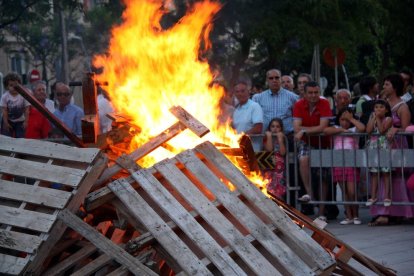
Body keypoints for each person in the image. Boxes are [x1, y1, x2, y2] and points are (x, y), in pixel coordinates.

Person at [369, 73, 413, 226]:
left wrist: (396, 129)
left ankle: (398, 212)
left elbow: (406, 128)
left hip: (396, 145)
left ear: (394, 87)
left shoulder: (402, 106)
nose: (383, 87)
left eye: (387, 84)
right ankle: (382, 212)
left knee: (396, 177)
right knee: (381, 176)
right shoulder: (381, 103)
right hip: (381, 146)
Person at [293, 81, 332, 221]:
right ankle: (309, 193)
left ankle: (321, 212)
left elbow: (323, 127)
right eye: (310, 92)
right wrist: (303, 131)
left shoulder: (325, 103)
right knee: (303, 159)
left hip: (323, 142)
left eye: (316, 92)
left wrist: (304, 130)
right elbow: (296, 127)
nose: (313, 95)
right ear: (304, 93)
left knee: (323, 177)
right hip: (307, 142)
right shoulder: (298, 104)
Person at [324, 107, 365, 225]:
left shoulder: (354, 128)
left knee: (352, 191)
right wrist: (341, 130)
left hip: (351, 162)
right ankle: (349, 216)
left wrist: (351, 119)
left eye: (347, 120)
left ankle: (356, 215)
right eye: (342, 119)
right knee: (344, 191)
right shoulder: (336, 128)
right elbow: (326, 131)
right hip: (338, 162)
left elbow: (362, 128)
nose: (345, 122)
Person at [252, 69, 299, 135]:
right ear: (267, 80)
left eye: (277, 78)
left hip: (287, 137)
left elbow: (297, 117)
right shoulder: (259, 98)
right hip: (266, 138)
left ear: (280, 79)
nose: (274, 80)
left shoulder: (293, 97)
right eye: (271, 78)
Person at [365, 99, 393, 207]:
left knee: (386, 172)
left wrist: (377, 118)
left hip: (384, 147)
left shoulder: (388, 119)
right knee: (374, 173)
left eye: (381, 107)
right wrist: (373, 119)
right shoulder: (372, 118)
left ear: (386, 110)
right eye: (376, 107)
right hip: (373, 147)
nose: (378, 109)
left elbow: (381, 131)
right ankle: (373, 196)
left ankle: (387, 196)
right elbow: (368, 130)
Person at [0, 72, 30, 138]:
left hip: (20, 121)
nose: (14, 87)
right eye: (11, 85)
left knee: (20, 137)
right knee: (6, 137)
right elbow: (4, 110)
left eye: (16, 85)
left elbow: (27, 109)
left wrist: (26, 121)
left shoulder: (23, 95)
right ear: (7, 86)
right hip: (8, 120)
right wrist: (6, 122)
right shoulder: (5, 96)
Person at [263, 118, 287, 198]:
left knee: (279, 188)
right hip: (269, 166)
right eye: (273, 126)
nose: (275, 129)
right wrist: (269, 137)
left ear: (281, 128)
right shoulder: (267, 137)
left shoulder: (283, 138)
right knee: (269, 186)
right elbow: (269, 150)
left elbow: (283, 152)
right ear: (269, 128)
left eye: (277, 126)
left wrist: (280, 139)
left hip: (279, 168)